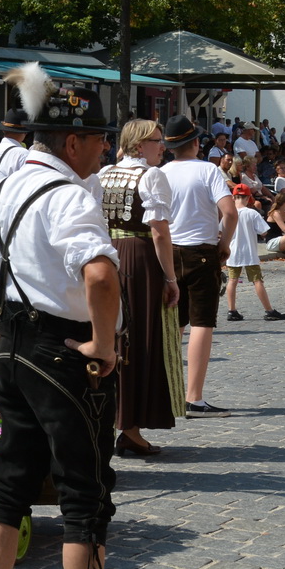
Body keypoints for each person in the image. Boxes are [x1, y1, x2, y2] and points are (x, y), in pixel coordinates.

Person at [0, 64, 122, 569]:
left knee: (9, 485)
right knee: (85, 494)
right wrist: (104, 345)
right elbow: (101, 277)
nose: (104, 149)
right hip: (65, 351)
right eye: (99, 140)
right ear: (73, 141)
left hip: (13, 350)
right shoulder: (68, 196)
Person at [97, 119, 182, 457]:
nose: (163, 147)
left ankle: (114, 421)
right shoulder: (151, 176)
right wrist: (171, 278)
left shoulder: (103, 175)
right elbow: (160, 232)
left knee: (113, 336)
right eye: (157, 141)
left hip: (108, 257)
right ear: (137, 146)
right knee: (141, 339)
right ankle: (130, 427)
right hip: (139, 259)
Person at [162, 114, 238, 417]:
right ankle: (194, 396)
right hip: (201, 251)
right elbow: (230, 213)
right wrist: (225, 244)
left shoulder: (160, 172)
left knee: (174, 325)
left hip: (169, 252)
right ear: (195, 143)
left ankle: (168, 390)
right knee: (202, 322)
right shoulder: (208, 170)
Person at [225, 186, 285, 322]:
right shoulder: (252, 213)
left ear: (233, 197)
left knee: (232, 280)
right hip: (249, 253)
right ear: (247, 198)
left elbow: (220, 231)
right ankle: (269, 310)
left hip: (233, 252)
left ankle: (231, 310)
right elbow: (263, 232)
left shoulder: (229, 213)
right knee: (257, 280)